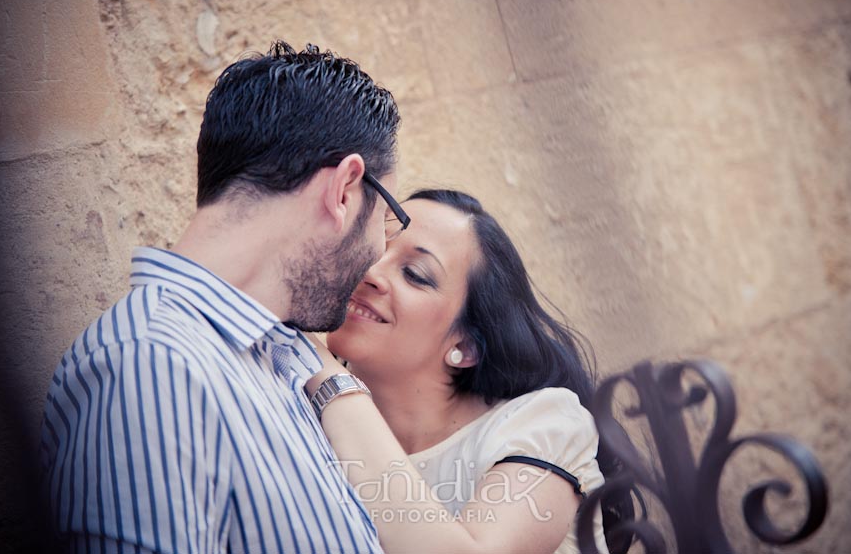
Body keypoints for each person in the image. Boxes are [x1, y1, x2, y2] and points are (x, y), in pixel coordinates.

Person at [39, 41, 404, 553]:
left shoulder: (278, 359)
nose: (381, 250)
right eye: (388, 218)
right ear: (343, 190)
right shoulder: (151, 365)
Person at [304, 189, 630, 554]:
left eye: (414, 274)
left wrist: (331, 381)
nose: (372, 272)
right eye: (375, 248)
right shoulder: (306, 421)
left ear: (465, 347)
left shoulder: (541, 424)